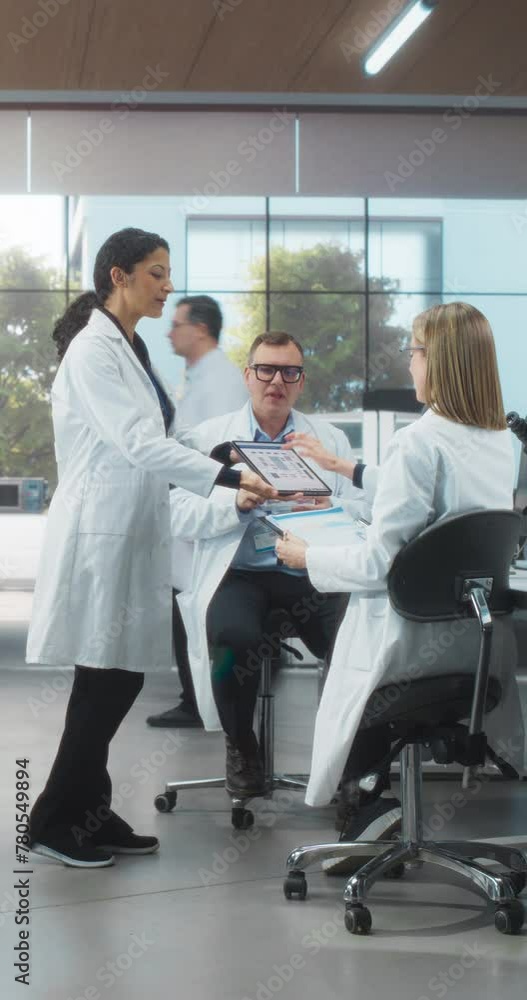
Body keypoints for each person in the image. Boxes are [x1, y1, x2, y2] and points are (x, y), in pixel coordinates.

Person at [25, 228, 275, 869]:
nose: (168, 286)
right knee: (104, 678)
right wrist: (227, 478)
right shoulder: (93, 350)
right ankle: (53, 822)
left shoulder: (131, 347)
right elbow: (138, 443)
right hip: (100, 532)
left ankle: (89, 810)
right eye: (157, 273)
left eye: (168, 274)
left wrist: (223, 454)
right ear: (119, 275)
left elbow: (167, 434)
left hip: (134, 528)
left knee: (119, 674)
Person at [277, 302, 525, 859]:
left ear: (440, 361)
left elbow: (376, 565)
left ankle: (366, 800)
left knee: (341, 655)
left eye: (414, 351)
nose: (409, 362)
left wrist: (308, 555)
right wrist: (345, 468)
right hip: (472, 648)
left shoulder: (417, 440)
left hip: (407, 651)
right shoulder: (498, 441)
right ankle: (371, 801)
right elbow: (437, 500)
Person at [168, 331, 371, 798]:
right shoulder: (209, 438)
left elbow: (364, 510)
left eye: (289, 372)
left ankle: (351, 767)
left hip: (312, 571)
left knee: (355, 644)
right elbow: (177, 513)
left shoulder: (329, 440)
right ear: (248, 375)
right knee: (232, 640)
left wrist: (326, 506)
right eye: (266, 370)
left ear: (301, 381)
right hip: (241, 574)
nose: (276, 381)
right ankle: (242, 745)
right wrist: (235, 503)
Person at [147, 294, 248, 730]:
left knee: (198, 608)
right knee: (188, 604)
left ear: (201, 329)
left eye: (177, 325)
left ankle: (201, 702)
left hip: (208, 513)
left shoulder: (221, 381)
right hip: (196, 510)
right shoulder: (203, 376)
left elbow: (219, 452)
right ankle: (196, 698)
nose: (170, 332)